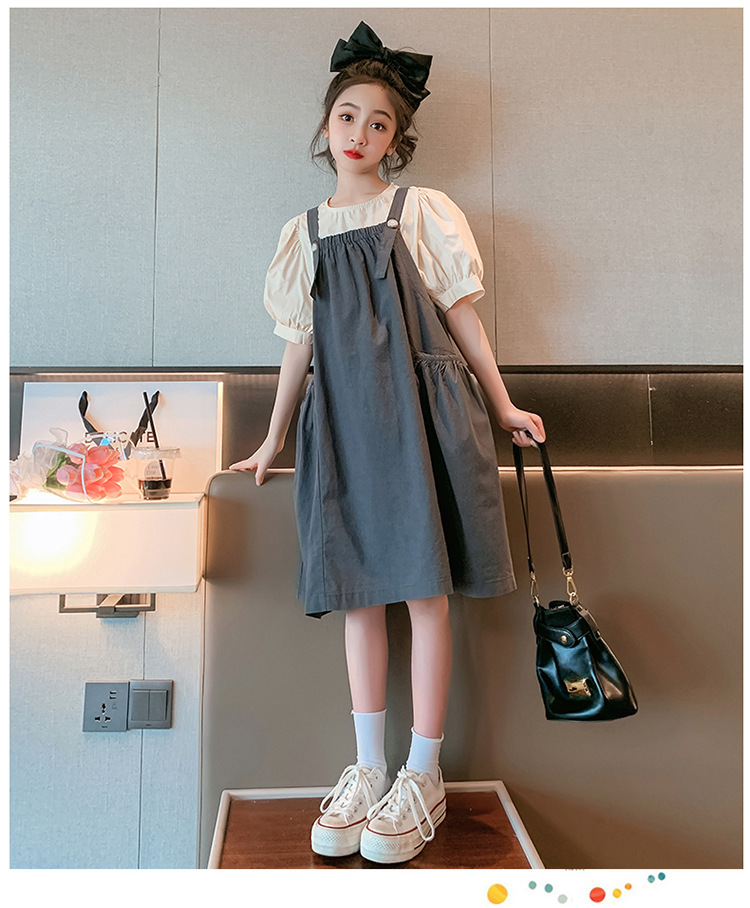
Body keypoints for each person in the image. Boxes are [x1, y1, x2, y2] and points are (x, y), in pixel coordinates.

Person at [230, 20, 545, 865]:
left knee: (425, 594)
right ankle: (369, 769)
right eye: (349, 117)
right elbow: (297, 345)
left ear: (396, 141)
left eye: (379, 123)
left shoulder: (421, 212)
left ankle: (422, 772)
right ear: (326, 124)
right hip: (342, 425)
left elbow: (461, 317)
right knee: (358, 595)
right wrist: (272, 438)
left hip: (420, 419)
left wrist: (503, 405)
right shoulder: (302, 234)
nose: (361, 134)